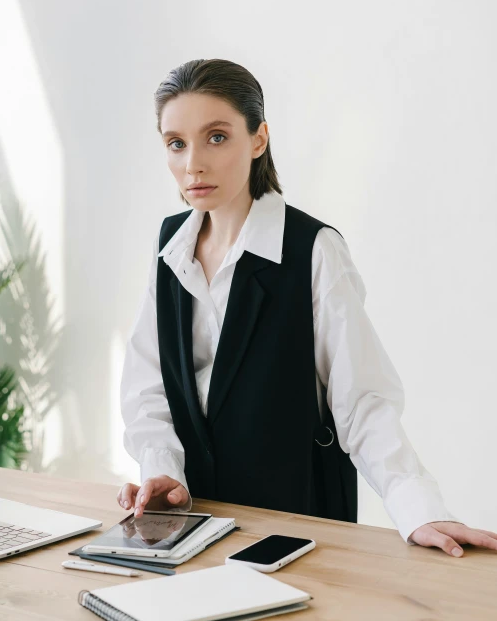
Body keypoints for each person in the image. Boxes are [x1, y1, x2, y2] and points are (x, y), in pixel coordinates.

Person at [118, 58, 497, 559]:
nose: (193, 164)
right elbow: (149, 388)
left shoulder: (313, 250)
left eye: (216, 137)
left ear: (258, 139)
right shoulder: (171, 247)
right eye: (176, 143)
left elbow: (363, 401)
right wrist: (160, 470)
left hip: (297, 527)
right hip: (193, 525)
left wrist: (419, 508)